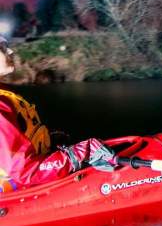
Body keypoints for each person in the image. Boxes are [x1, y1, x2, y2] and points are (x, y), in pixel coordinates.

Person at [0, 36, 116, 192]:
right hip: (17, 187)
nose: (10, 51)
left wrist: (46, 141)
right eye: (2, 48)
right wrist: (78, 154)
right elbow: (25, 172)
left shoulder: (3, 93)